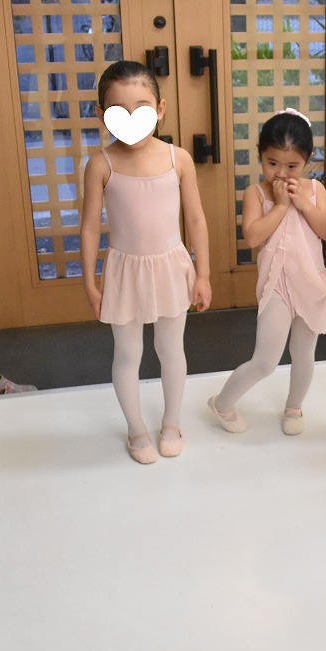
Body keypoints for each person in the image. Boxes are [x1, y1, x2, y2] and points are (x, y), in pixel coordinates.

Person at [79, 60, 210, 464]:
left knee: (171, 349)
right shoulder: (101, 164)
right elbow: (89, 228)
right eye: (120, 111)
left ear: (160, 109)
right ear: (102, 115)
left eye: (142, 109)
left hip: (171, 266)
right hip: (125, 270)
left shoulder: (178, 159)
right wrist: (89, 284)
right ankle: (136, 429)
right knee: (127, 354)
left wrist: (203, 274)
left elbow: (195, 219)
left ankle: (171, 422)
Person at [207, 109, 326, 435]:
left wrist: (303, 203)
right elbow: (253, 236)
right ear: (260, 156)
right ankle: (222, 403)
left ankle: (294, 407)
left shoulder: (315, 190)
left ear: (307, 160)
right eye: (272, 163)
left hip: (311, 282)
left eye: (292, 166)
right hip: (276, 285)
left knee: (304, 354)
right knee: (266, 360)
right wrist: (280, 206)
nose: (280, 173)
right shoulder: (256, 193)